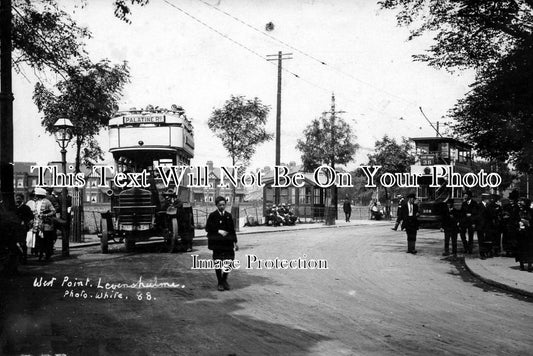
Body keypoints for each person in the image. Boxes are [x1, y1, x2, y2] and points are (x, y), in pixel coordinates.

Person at [205, 196, 239, 291]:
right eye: (220, 205)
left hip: (227, 243)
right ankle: (220, 282)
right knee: (218, 262)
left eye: (223, 205)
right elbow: (207, 228)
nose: (222, 206)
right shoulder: (213, 216)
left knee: (230, 260)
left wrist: (235, 243)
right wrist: (218, 230)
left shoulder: (228, 215)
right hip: (217, 243)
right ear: (216, 205)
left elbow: (232, 230)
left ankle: (224, 279)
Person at [31, 187, 56, 262]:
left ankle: (47, 255)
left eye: (37, 195)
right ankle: (41, 254)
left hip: (46, 225)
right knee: (40, 241)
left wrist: (46, 215)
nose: (35, 196)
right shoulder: (36, 202)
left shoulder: (47, 202)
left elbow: (53, 211)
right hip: (38, 224)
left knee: (47, 240)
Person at [15, 193, 33, 263]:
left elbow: (31, 216)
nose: (18, 200)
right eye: (17, 199)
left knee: (22, 243)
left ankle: (24, 257)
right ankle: (19, 256)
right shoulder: (14, 207)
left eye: (19, 199)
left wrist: (26, 221)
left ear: (22, 199)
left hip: (22, 227)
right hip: (15, 227)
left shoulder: (26, 207)